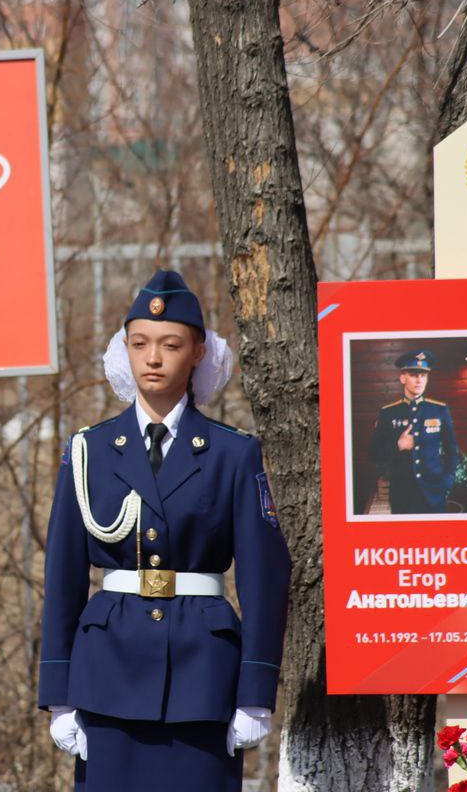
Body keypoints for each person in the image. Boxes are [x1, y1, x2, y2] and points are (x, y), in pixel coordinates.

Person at [38, 270, 291, 791]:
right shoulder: (89, 449)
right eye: (140, 343)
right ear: (124, 350)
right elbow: (62, 574)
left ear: (198, 352)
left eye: (170, 344)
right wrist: (58, 692)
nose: (153, 358)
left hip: (203, 675)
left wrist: (255, 691)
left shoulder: (232, 452)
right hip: (108, 673)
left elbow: (265, 578)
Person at [368, 349, 459, 514]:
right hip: (403, 495)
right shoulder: (388, 413)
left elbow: (452, 451)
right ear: (403, 378)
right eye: (414, 375)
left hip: (434, 494)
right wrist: (398, 445)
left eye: (423, 375)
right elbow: (375, 454)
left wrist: (447, 481)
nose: (419, 380)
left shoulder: (439, 410)